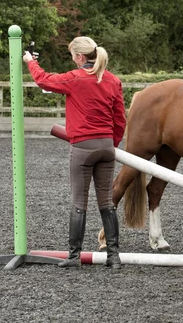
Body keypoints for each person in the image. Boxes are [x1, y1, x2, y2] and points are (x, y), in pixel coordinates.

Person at [22, 36, 126, 269]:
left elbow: (43, 80)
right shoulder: (113, 80)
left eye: (72, 56)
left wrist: (30, 62)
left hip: (82, 147)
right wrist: (112, 144)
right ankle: (114, 256)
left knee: (79, 201)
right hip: (106, 147)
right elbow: (120, 119)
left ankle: (73, 256)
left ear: (79, 57)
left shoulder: (75, 78)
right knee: (107, 202)